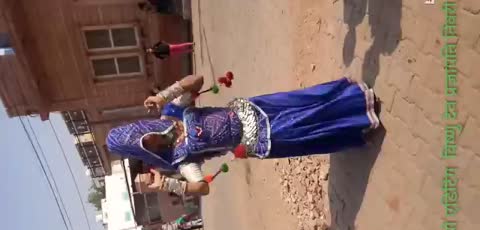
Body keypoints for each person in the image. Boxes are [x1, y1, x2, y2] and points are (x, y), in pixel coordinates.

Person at [107, 74, 380, 197]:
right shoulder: (180, 159)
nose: (150, 138)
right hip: (257, 139)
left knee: (302, 103)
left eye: (143, 134)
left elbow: (197, 80)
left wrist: (163, 94)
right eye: (144, 144)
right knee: (307, 124)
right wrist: (167, 186)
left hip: (252, 108)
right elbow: (202, 188)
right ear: (144, 151)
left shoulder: (172, 112)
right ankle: (357, 121)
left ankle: (351, 94)